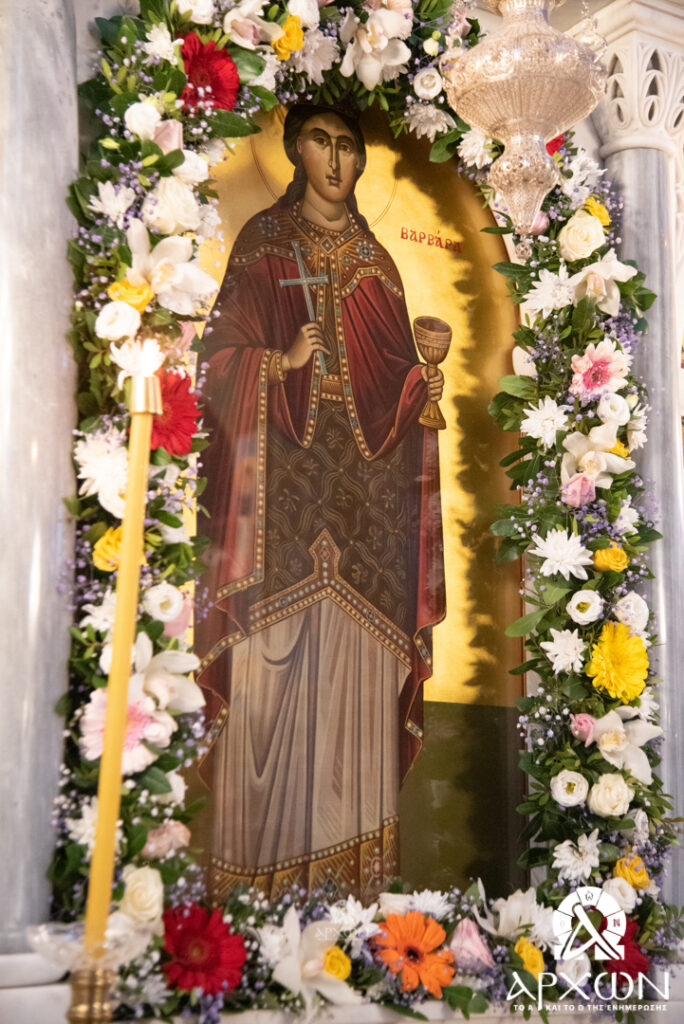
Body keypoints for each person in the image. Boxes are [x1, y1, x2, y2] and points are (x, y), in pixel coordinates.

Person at [196, 103, 445, 902]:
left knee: (358, 681)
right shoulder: (264, 245)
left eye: (347, 147)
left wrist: (420, 387)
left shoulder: (377, 263)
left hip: (367, 509)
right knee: (267, 675)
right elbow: (216, 360)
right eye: (320, 142)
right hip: (276, 499)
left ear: (361, 163)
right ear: (295, 151)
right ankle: (254, 898)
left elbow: (395, 385)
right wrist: (277, 361)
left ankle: (353, 904)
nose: (335, 160)